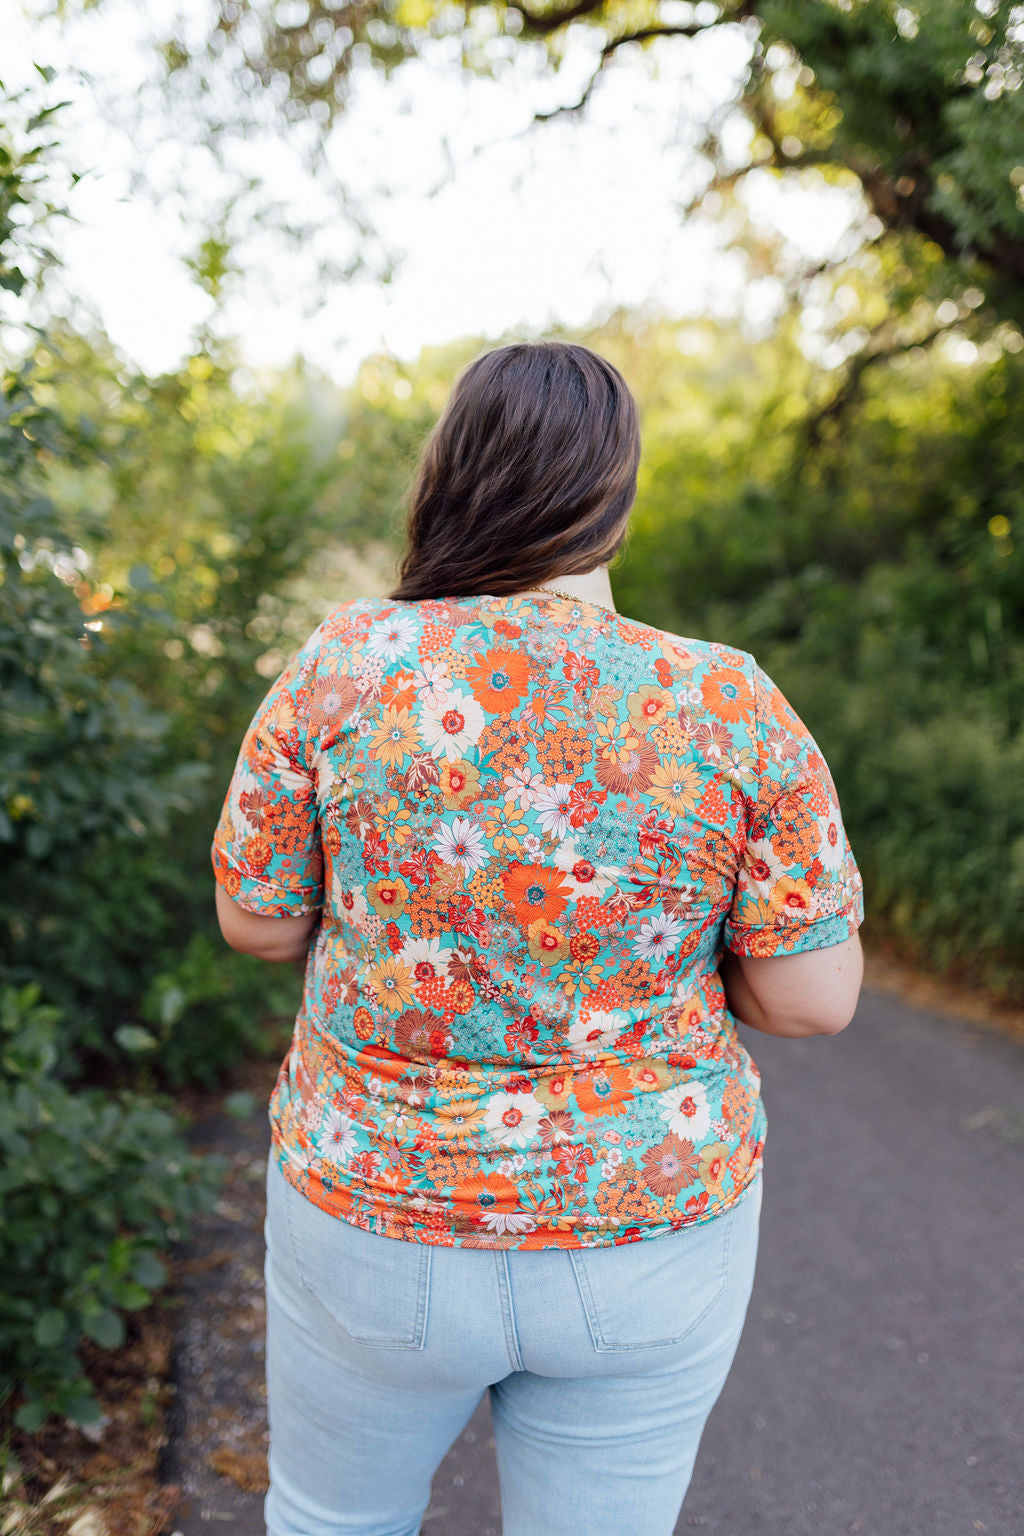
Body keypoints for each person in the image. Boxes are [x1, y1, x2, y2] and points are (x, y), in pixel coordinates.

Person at [211, 340, 864, 1536]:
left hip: (373, 1211)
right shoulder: (730, 702)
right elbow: (814, 999)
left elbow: (256, 920)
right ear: (615, 493)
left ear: (448, 476)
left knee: (329, 1522)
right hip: (648, 1229)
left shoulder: (346, 666)